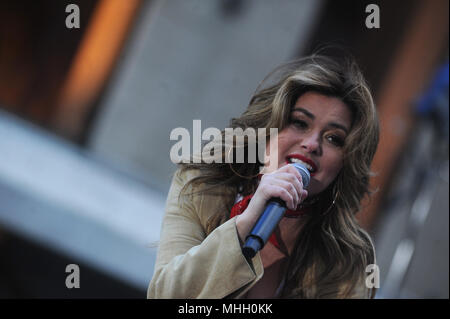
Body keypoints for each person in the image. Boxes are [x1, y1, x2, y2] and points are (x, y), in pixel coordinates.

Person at [148, 54, 379, 299]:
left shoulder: (348, 261)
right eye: (300, 123)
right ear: (269, 130)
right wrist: (246, 222)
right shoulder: (201, 188)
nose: (312, 144)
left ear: (346, 162)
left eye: (334, 138)